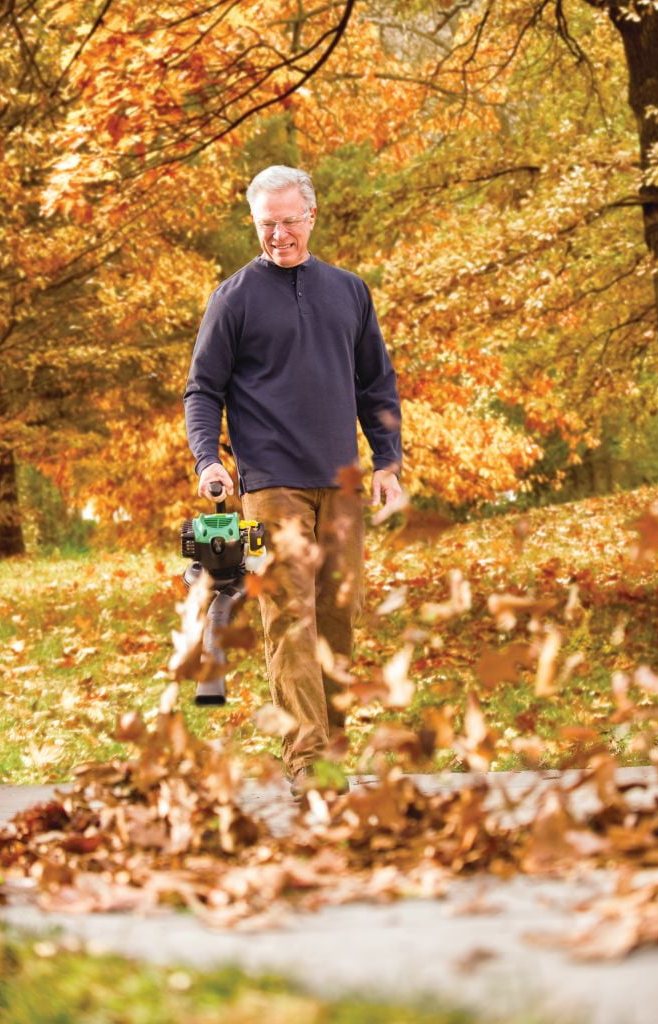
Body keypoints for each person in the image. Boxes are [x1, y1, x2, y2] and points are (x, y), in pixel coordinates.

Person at [183, 164, 402, 791]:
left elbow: (375, 384)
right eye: (265, 223)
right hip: (270, 481)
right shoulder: (234, 297)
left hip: (341, 480)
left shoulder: (349, 291)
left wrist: (386, 457)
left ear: (311, 215)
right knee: (289, 615)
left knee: (338, 616)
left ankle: (331, 752)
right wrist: (208, 460)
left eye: (287, 221)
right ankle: (309, 762)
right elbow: (203, 390)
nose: (277, 234)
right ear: (255, 223)